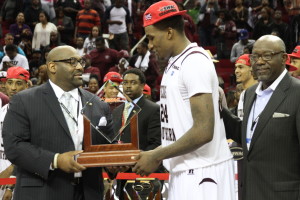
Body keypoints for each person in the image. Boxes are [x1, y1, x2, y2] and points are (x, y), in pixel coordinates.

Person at [132, 1, 235, 199]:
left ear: (170, 33)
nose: (150, 45)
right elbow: (180, 126)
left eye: (152, 38)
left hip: (204, 173)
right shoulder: (176, 61)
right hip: (186, 169)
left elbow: (204, 130)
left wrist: (156, 155)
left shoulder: (194, 62)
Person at [2, 45, 114, 200]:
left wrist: (116, 162)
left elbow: (109, 145)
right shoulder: (25, 100)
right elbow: (14, 146)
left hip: (89, 192)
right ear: (53, 67)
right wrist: (55, 160)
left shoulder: (98, 104)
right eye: (72, 62)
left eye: (81, 62)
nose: (80, 67)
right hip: (43, 192)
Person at [222, 35, 300, 200]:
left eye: (267, 56)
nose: (259, 61)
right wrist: (220, 109)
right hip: (249, 192)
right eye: (255, 56)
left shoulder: (297, 93)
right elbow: (249, 137)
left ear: (284, 58)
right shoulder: (250, 93)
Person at [112, 68, 161, 199]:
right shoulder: (117, 111)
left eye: (132, 82)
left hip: (141, 173)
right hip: (119, 174)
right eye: (125, 82)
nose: (128, 86)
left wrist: (134, 161)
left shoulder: (153, 109)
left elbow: (155, 143)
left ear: (142, 85)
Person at [0, 66, 30, 200]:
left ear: (27, 86)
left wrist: (10, 180)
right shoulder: (2, 111)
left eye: (18, 83)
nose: (13, 88)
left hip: (19, 177)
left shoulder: (32, 113)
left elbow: (30, 150)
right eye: (10, 82)